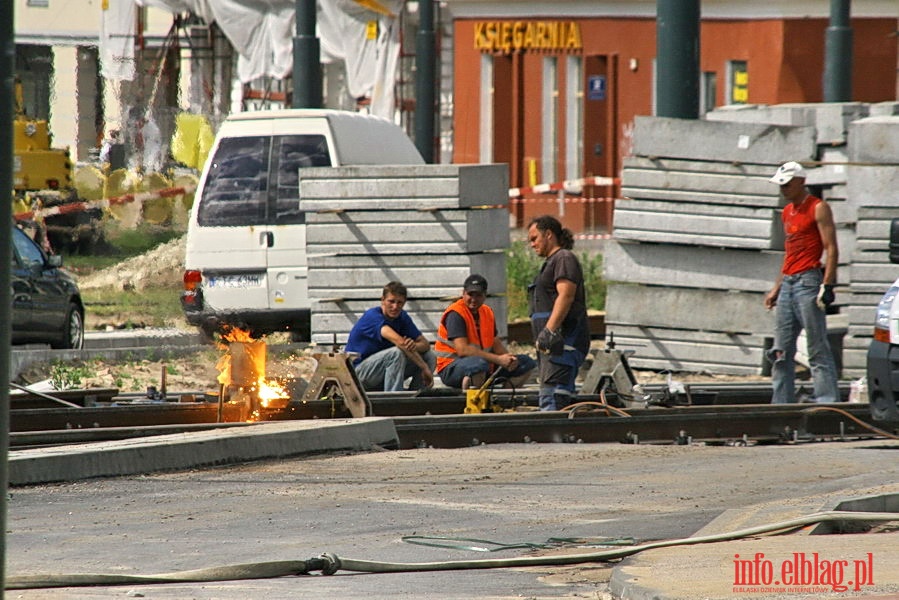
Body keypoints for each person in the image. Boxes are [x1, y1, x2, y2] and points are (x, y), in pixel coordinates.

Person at [764, 161, 839, 404]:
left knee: (817, 347)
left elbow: (831, 247)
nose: (783, 189)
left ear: (801, 182)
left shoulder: (818, 208)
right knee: (781, 352)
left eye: (787, 184)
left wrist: (827, 285)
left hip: (808, 281)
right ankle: (781, 406)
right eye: (781, 185)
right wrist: (777, 286)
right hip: (789, 283)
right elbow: (790, 252)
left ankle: (827, 403)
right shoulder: (787, 211)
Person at [527, 215, 590, 410]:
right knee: (551, 393)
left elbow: (566, 295)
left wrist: (549, 331)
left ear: (548, 235)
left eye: (534, 238)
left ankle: (554, 436)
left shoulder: (563, 258)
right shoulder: (552, 261)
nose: (532, 244)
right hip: (553, 344)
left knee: (553, 396)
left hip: (563, 342)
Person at [435, 274, 536, 390]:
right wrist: (498, 360)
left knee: (526, 363)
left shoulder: (487, 312)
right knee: (479, 365)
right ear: (463, 293)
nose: (473, 299)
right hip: (451, 367)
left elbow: (495, 343)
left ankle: (504, 399)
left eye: (478, 295)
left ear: (485, 296)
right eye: (470, 294)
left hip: (484, 363)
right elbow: (463, 350)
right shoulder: (456, 314)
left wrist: (508, 359)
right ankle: (475, 400)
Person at [345, 281, 436, 392]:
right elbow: (399, 342)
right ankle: (395, 400)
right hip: (358, 375)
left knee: (429, 356)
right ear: (382, 300)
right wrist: (424, 367)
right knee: (396, 353)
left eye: (399, 303)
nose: (395, 307)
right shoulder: (372, 317)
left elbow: (425, 344)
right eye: (391, 301)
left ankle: (418, 399)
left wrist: (414, 346)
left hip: (380, 373)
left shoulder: (402, 317)